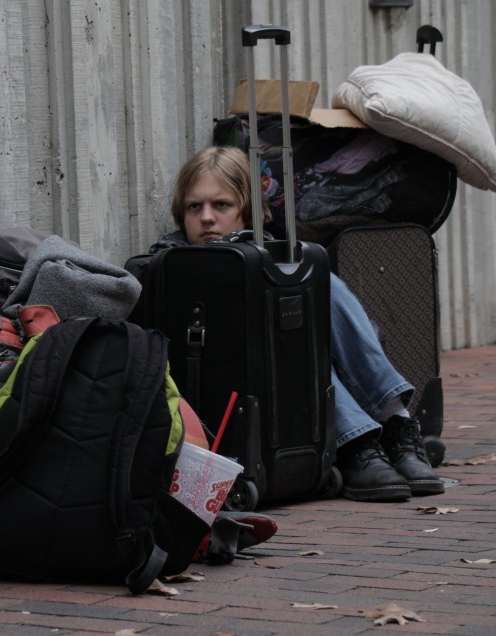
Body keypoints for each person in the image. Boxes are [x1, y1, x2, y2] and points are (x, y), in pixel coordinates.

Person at [150, 146, 443, 503]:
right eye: (194, 207)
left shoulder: (276, 256)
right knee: (292, 325)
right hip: (238, 389)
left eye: (221, 205)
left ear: (249, 210)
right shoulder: (170, 261)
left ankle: (395, 424)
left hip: (287, 385)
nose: (207, 218)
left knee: (320, 282)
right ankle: (357, 443)